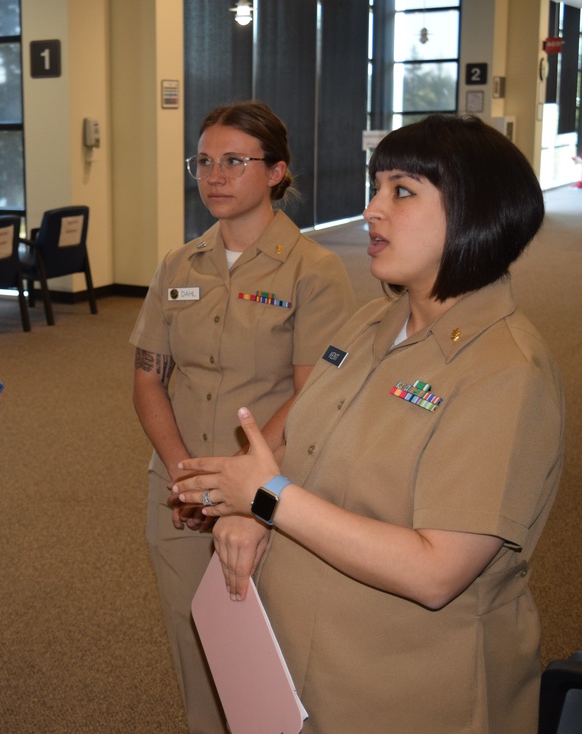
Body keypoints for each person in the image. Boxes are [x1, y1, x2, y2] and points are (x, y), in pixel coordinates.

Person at [173, 114, 565, 733]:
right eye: (376, 187)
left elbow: (436, 571)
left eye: (402, 191)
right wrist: (251, 510)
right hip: (305, 668)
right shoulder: (370, 326)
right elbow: (301, 445)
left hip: (407, 691)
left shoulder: (505, 373)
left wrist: (266, 499)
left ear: (475, 213)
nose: (371, 211)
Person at [129, 100, 356, 733]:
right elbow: (149, 378)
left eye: (235, 161)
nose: (214, 175)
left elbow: (313, 395)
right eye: (203, 161)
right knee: (195, 640)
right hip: (178, 488)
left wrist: (234, 483)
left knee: (268, 649)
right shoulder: (178, 265)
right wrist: (182, 473)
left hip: (267, 489)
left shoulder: (316, 270)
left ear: (277, 172)